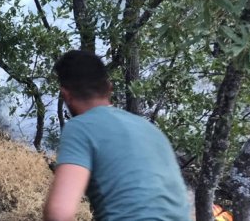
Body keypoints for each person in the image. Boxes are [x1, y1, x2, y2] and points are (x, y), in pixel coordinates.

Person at [43, 50, 190, 221]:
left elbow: (58, 213)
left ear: (66, 95)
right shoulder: (152, 131)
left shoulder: (81, 128)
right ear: (109, 88)